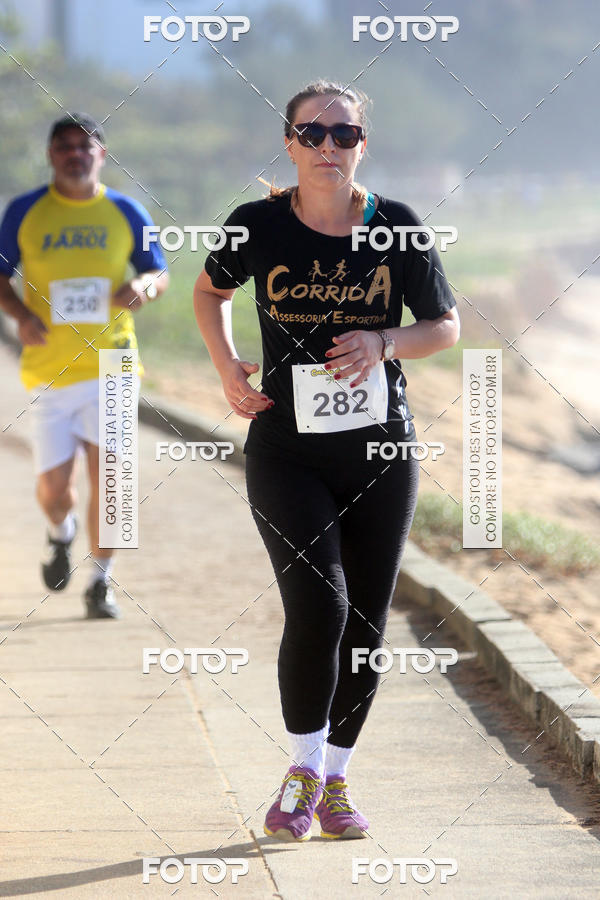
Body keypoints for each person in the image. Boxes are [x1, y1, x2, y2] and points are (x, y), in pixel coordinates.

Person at [193, 80, 460, 841]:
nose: (328, 147)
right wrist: (226, 368)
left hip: (382, 451)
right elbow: (208, 293)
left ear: (362, 145)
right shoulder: (257, 226)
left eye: (344, 135)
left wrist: (383, 342)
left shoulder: (396, 228)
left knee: (368, 623)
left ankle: (336, 780)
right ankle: (302, 767)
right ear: (289, 142)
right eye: (313, 134)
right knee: (321, 608)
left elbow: (443, 326)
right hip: (286, 451)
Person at [0, 113, 168, 618]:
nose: (76, 154)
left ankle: (102, 581)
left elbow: (157, 270)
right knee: (56, 490)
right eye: (65, 146)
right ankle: (60, 532)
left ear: (102, 154)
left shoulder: (126, 210)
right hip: (51, 368)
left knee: (113, 479)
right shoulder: (25, 212)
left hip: (114, 364)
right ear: (52, 155)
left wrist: (143, 287)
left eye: (85, 146)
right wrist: (22, 316)